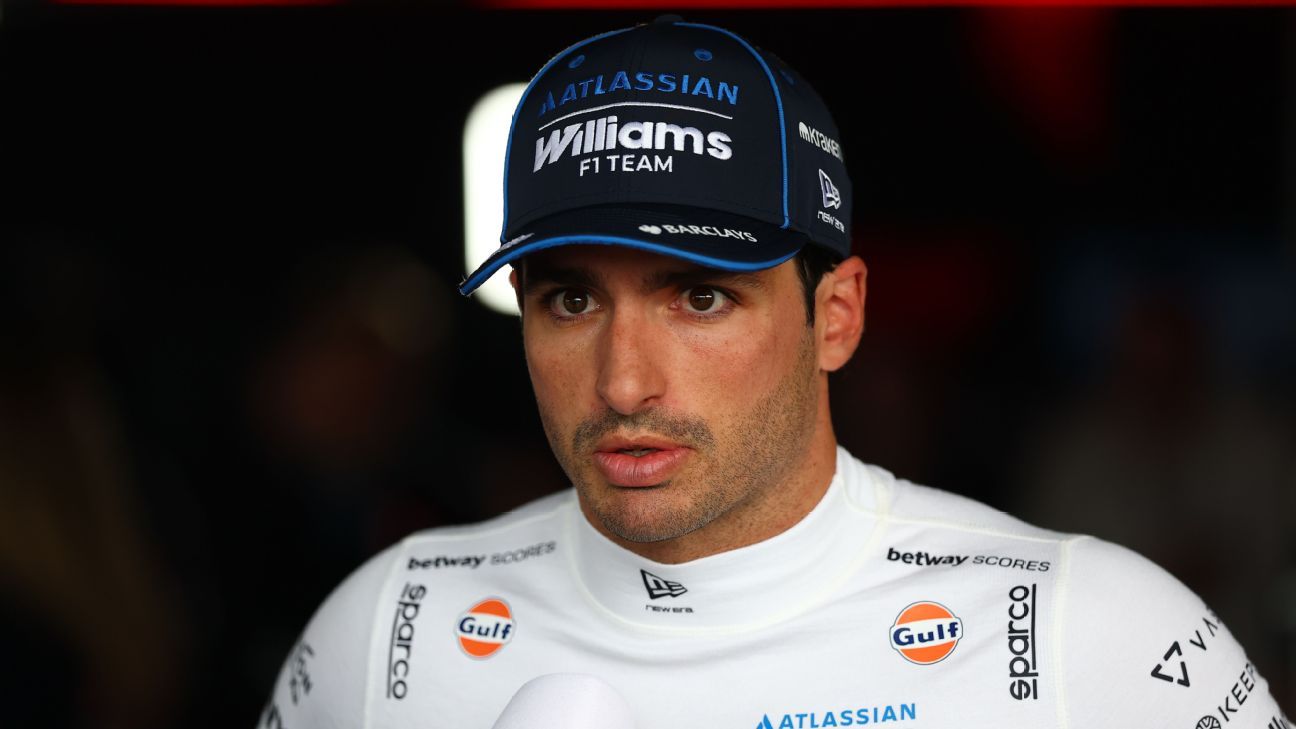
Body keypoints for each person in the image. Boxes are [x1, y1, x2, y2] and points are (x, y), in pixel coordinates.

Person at [260, 16, 1290, 729]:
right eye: (571, 300)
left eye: (700, 297)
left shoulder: (1084, 630)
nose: (623, 384)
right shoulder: (387, 627)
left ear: (836, 317)